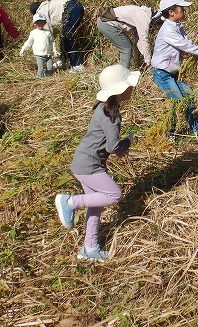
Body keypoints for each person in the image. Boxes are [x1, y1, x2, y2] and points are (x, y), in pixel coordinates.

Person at [54, 64, 140, 261]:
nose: (132, 88)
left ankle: (90, 248)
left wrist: (117, 148)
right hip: (89, 165)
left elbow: (106, 143)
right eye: (130, 85)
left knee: (95, 205)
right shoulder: (113, 115)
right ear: (121, 89)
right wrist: (126, 142)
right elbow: (111, 146)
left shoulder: (103, 108)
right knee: (114, 194)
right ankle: (70, 202)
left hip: (83, 161)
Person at [151, 0, 198, 139]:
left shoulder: (178, 26)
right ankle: (169, 133)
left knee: (188, 97)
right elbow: (185, 46)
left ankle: (197, 131)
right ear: (171, 12)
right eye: (181, 8)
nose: (184, 11)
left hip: (172, 73)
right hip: (163, 73)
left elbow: (187, 43)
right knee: (177, 102)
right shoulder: (168, 30)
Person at [29, 0, 86, 71]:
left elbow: (45, 33)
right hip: (77, 6)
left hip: (70, 7)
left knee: (67, 36)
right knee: (64, 36)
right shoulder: (48, 5)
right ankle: (62, 60)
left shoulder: (41, 12)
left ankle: (77, 65)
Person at [19, 13, 58, 77]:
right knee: (41, 69)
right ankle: (38, 78)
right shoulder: (33, 33)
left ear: (45, 22)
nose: (40, 24)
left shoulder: (48, 32)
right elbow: (29, 42)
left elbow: (52, 42)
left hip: (48, 54)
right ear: (34, 23)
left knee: (50, 68)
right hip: (39, 55)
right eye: (38, 23)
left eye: (42, 22)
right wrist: (23, 49)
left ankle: (47, 77)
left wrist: (55, 51)